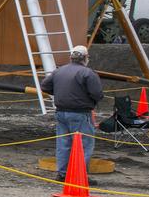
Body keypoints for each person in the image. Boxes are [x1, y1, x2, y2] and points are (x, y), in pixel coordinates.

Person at [41, 45, 104, 182]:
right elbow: (97, 94)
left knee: (63, 143)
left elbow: (45, 86)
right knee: (84, 145)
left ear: (71, 57)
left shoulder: (59, 71)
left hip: (61, 113)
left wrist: (58, 93)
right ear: (85, 58)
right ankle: (79, 175)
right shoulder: (87, 73)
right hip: (80, 114)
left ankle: (62, 174)